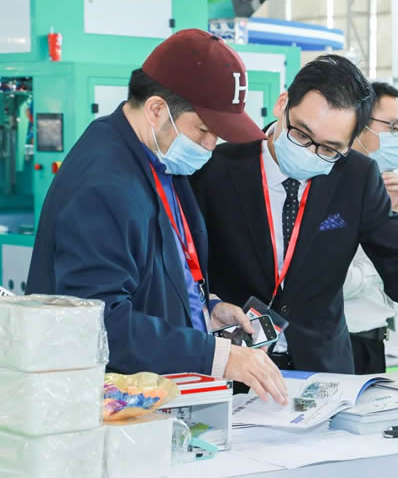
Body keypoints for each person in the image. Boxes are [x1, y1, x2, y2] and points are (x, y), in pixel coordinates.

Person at [25, 29, 288, 405]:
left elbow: (160, 268)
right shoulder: (103, 184)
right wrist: (216, 356)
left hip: (152, 390)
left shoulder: (156, 158)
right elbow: (98, 323)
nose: (210, 145)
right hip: (106, 403)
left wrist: (206, 310)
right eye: (204, 130)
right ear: (156, 110)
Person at [191, 55, 398, 374]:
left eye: (329, 148)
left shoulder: (357, 176)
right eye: (301, 134)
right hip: (233, 364)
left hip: (322, 367)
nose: (310, 152)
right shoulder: (216, 168)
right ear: (282, 104)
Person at [345, 81, 398, 374]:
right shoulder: (329, 183)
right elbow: (333, 280)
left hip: (374, 336)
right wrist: (375, 274)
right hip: (342, 338)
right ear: (358, 123)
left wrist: (393, 213)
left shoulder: (386, 187)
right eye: (393, 127)